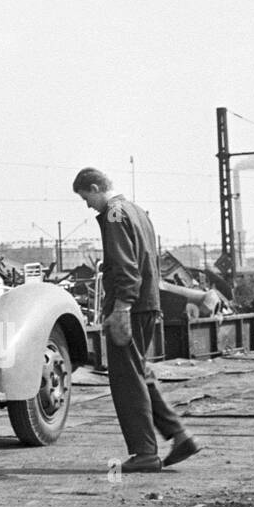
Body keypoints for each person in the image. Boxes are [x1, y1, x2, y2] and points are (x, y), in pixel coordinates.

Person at [73, 167, 201, 473]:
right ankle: (180, 436)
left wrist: (121, 309)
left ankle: (144, 452)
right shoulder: (137, 212)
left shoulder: (114, 214)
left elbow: (125, 266)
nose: (87, 205)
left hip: (131, 305)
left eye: (85, 197)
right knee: (139, 373)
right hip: (146, 303)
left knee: (126, 381)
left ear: (95, 187)